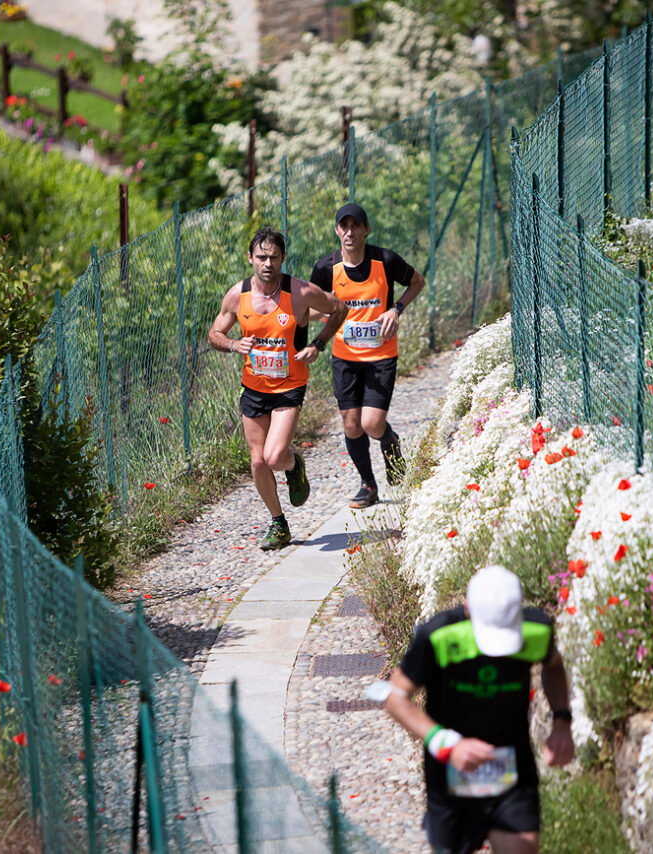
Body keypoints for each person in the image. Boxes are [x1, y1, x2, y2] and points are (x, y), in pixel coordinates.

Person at [384, 565, 575, 854]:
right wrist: (447, 744)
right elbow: (395, 697)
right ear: (467, 608)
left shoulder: (536, 631)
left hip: (511, 768)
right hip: (449, 771)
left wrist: (562, 721)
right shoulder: (437, 635)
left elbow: (555, 669)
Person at [207, 227, 348, 551]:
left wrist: (318, 344)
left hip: (289, 386)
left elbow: (338, 308)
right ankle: (279, 523)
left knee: (273, 457)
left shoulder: (300, 292)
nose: (267, 263)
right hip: (254, 387)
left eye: (273, 257)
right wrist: (231, 343)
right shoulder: (236, 296)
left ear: (283, 259)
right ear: (250, 258)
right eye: (261, 257)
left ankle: (293, 463)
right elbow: (214, 333)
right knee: (257, 462)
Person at [309, 202, 425, 508]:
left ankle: (390, 441)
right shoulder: (325, 268)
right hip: (345, 356)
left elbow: (417, 281)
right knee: (351, 424)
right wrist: (322, 314)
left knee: (372, 424)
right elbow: (309, 306)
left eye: (355, 226)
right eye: (343, 226)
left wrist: (396, 309)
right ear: (337, 230)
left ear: (366, 229)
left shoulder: (385, 260)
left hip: (380, 355)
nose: (349, 232)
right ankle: (368, 486)